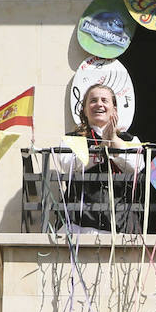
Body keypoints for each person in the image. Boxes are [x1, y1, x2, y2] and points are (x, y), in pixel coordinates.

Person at [53, 84, 145, 233]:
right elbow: (68, 165)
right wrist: (101, 148)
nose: (99, 104)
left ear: (114, 109)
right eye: (93, 100)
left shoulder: (130, 139)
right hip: (80, 222)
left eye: (104, 100)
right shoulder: (71, 139)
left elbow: (136, 166)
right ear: (84, 109)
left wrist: (113, 140)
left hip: (122, 223)